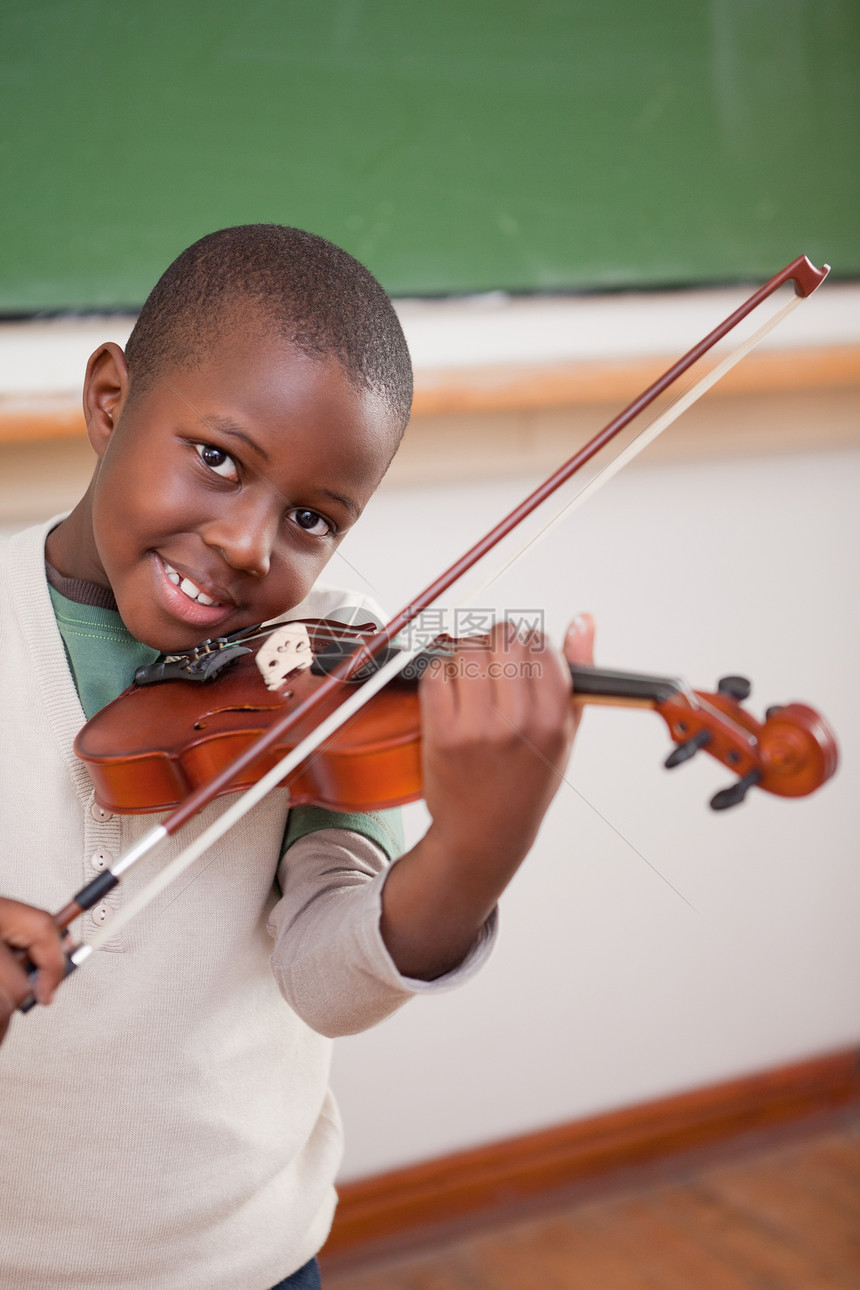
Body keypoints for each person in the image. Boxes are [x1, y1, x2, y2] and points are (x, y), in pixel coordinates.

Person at [0, 225, 593, 1289]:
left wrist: (476, 850)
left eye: (312, 517)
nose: (246, 544)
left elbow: (328, 979)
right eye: (218, 460)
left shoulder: (326, 675)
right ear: (107, 402)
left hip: (242, 1260)